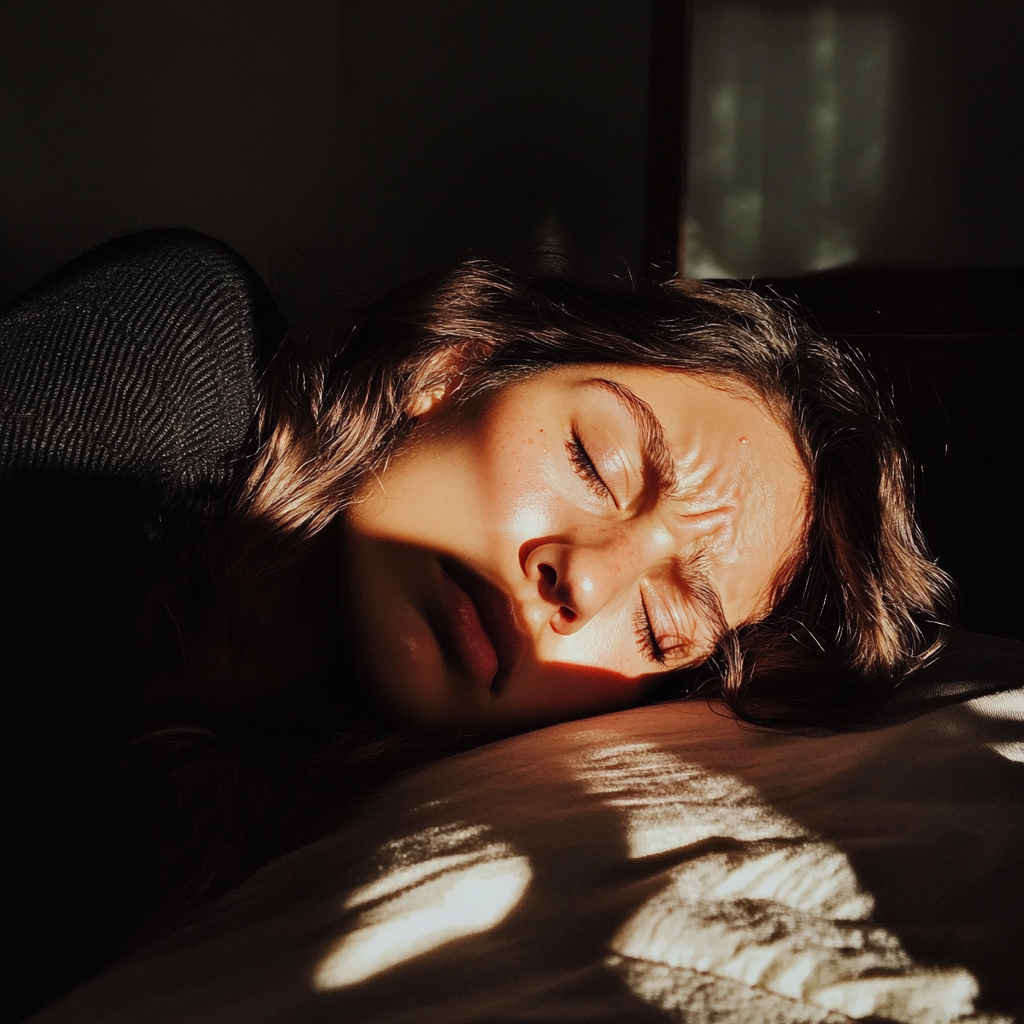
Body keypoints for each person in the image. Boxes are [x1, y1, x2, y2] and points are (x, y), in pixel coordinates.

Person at [0, 230, 952, 1018]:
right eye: (596, 461)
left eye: (663, 624)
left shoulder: (319, 827)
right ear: (454, 368)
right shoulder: (184, 342)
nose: (581, 578)